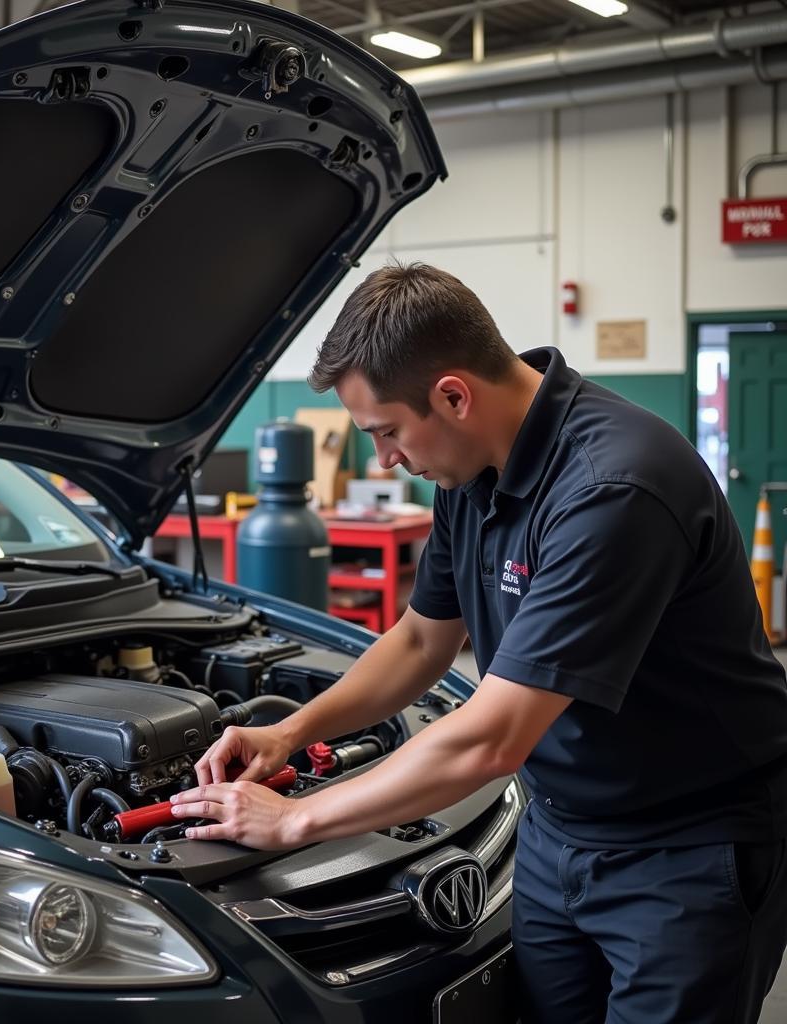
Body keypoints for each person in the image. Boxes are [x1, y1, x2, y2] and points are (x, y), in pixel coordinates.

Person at [169, 262, 787, 1023]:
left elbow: (490, 740)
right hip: (558, 829)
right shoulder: (471, 478)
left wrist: (292, 820)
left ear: (453, 396)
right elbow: (422, 641)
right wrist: (291, 732)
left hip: (684, 850)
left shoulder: (611, 488)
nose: (387, 458)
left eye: (387, 432)